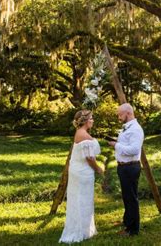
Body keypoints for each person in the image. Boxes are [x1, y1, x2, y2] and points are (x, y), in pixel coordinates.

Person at [59, 110, 103, 244]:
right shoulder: (84, 135)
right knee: (82, 199)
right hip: (83, 172)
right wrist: (98, 169)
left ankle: (84, 229)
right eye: (91, 118)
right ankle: (80, 231)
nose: (93, 120)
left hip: (77, 170)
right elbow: (89, 158)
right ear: (85, 121)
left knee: (79, 199)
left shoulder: (80, 133)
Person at [107, 103, 144, 236]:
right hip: (124, 167)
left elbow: (134, 150)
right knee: (126, 196)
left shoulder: (135, 129)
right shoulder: (127, 128)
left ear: (128, 113)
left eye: (120, 114)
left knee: (131, 198)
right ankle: (127, 220)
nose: (118, 117)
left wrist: (116, 145)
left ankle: (132, 229)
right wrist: (116, 141)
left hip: (130, 167)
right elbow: (127, 144)